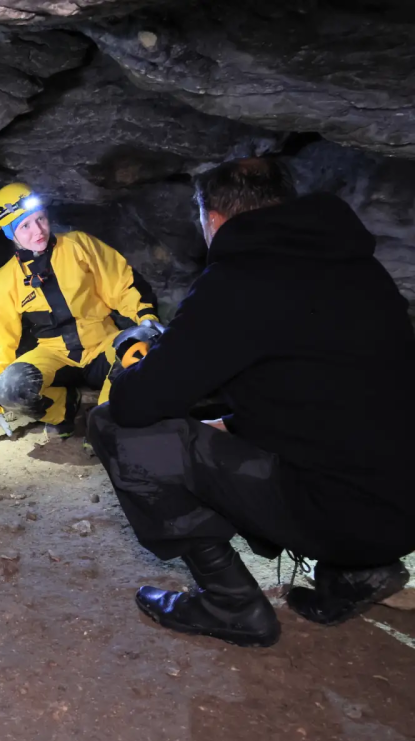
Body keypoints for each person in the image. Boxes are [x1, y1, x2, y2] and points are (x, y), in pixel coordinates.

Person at [88, 157, 415, 647]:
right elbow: (321, 393)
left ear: (212, 218)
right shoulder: (356, 266)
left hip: (340, 512)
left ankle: (230, 602)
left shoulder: (239, 280)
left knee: (115, 427)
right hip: (397, 508)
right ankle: (359, 573)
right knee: (223, 425)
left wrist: (138, 362)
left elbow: (138, 404)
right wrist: (231, 425)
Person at [0, 182, 160, 445]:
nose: (37, 230)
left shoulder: (78, 245)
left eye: (40, 219)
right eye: (25, 226)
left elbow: (122, 282)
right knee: (10, 388)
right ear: (9, 233)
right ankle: (63, 409)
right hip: (56, 356)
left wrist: (146, 317)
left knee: (137, 350)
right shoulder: (7, 278)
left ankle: (105, 424)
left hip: (101, 344)